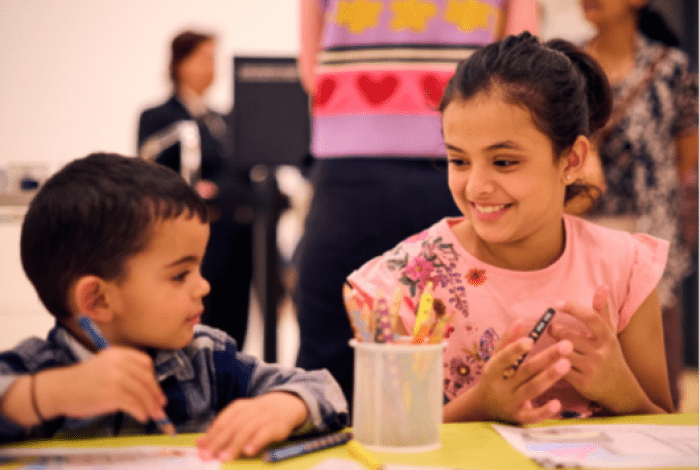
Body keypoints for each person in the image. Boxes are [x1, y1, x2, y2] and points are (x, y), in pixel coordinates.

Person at [346, 32, 674, 424]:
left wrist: (622, 390)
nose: (476, 187)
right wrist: (480, 405)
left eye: (503, 162)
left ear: (572, 160)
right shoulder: (407, 282)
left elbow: (665, 429)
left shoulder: (625, 267)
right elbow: (386, 434)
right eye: (459, 161)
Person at [0, 153, 348, 460]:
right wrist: (45, 395)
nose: (204, 285)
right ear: (98, 299)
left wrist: (284, 406)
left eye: (199, 267)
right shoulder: (35, 369)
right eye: (180, 274)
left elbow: (326, 389)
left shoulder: (206, 358)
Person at [295, 0, 540, 411]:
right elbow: (520, 56)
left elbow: (310, 63)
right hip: (461, 155)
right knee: (463, 356)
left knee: (334, 358)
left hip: (363, 152)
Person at [579, 0, 699, 409]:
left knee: (655, 359)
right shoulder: (569, 66)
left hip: (648, 231)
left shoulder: (672, 67)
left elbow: (685, 156)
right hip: (582, 226)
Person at [138, 30, 253, 349]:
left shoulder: (224, 119)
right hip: (196, 239)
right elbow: (152, 174)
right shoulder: (160, 119)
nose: (211, 67)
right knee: (200, 323)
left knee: (235, 327)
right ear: (179, 64)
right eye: (203, 59)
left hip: (238, 238)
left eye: (214, 59)